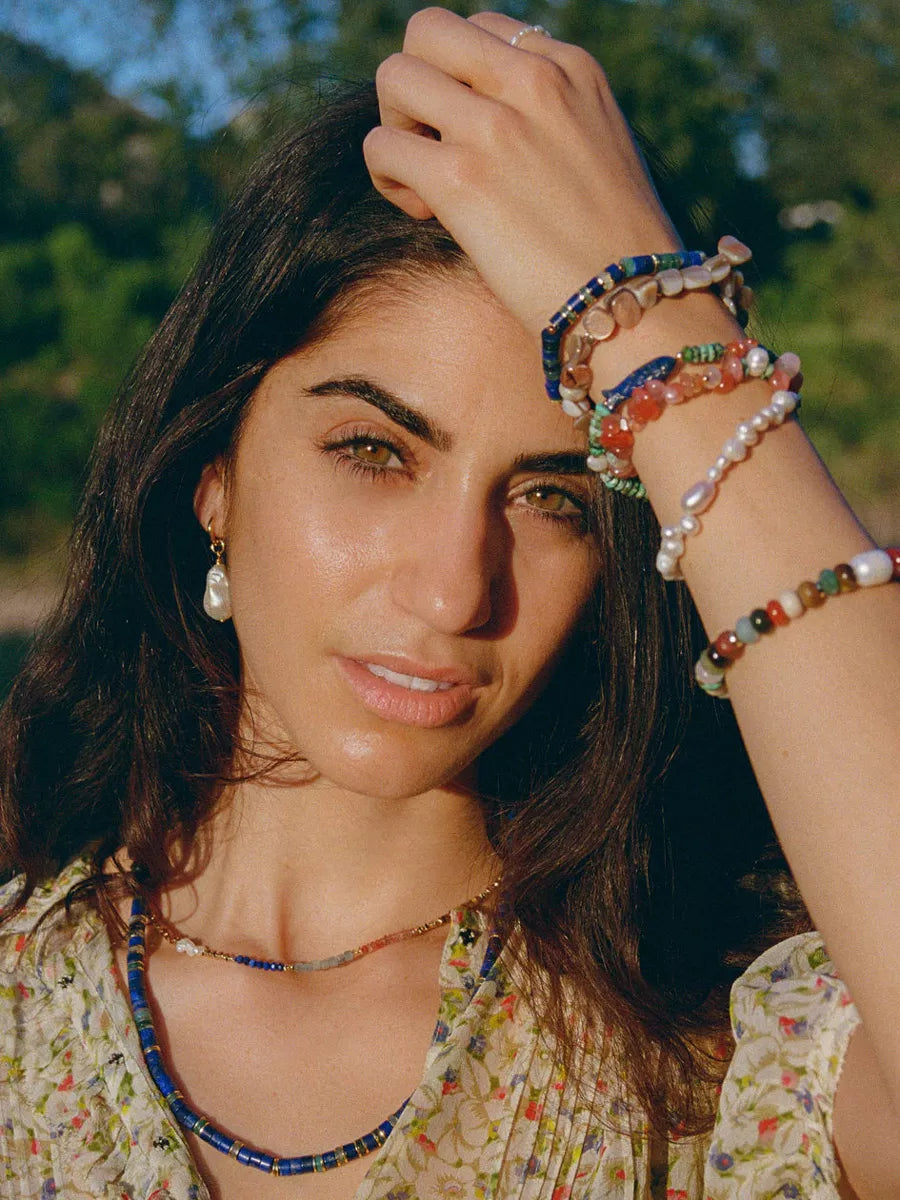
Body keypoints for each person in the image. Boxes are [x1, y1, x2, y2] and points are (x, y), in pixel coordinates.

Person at [0, 8, 897, 1198]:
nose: (453, 587)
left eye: (550, 497)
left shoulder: (712, 1055)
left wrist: (652, 327)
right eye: (372, 451)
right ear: (212, 474)